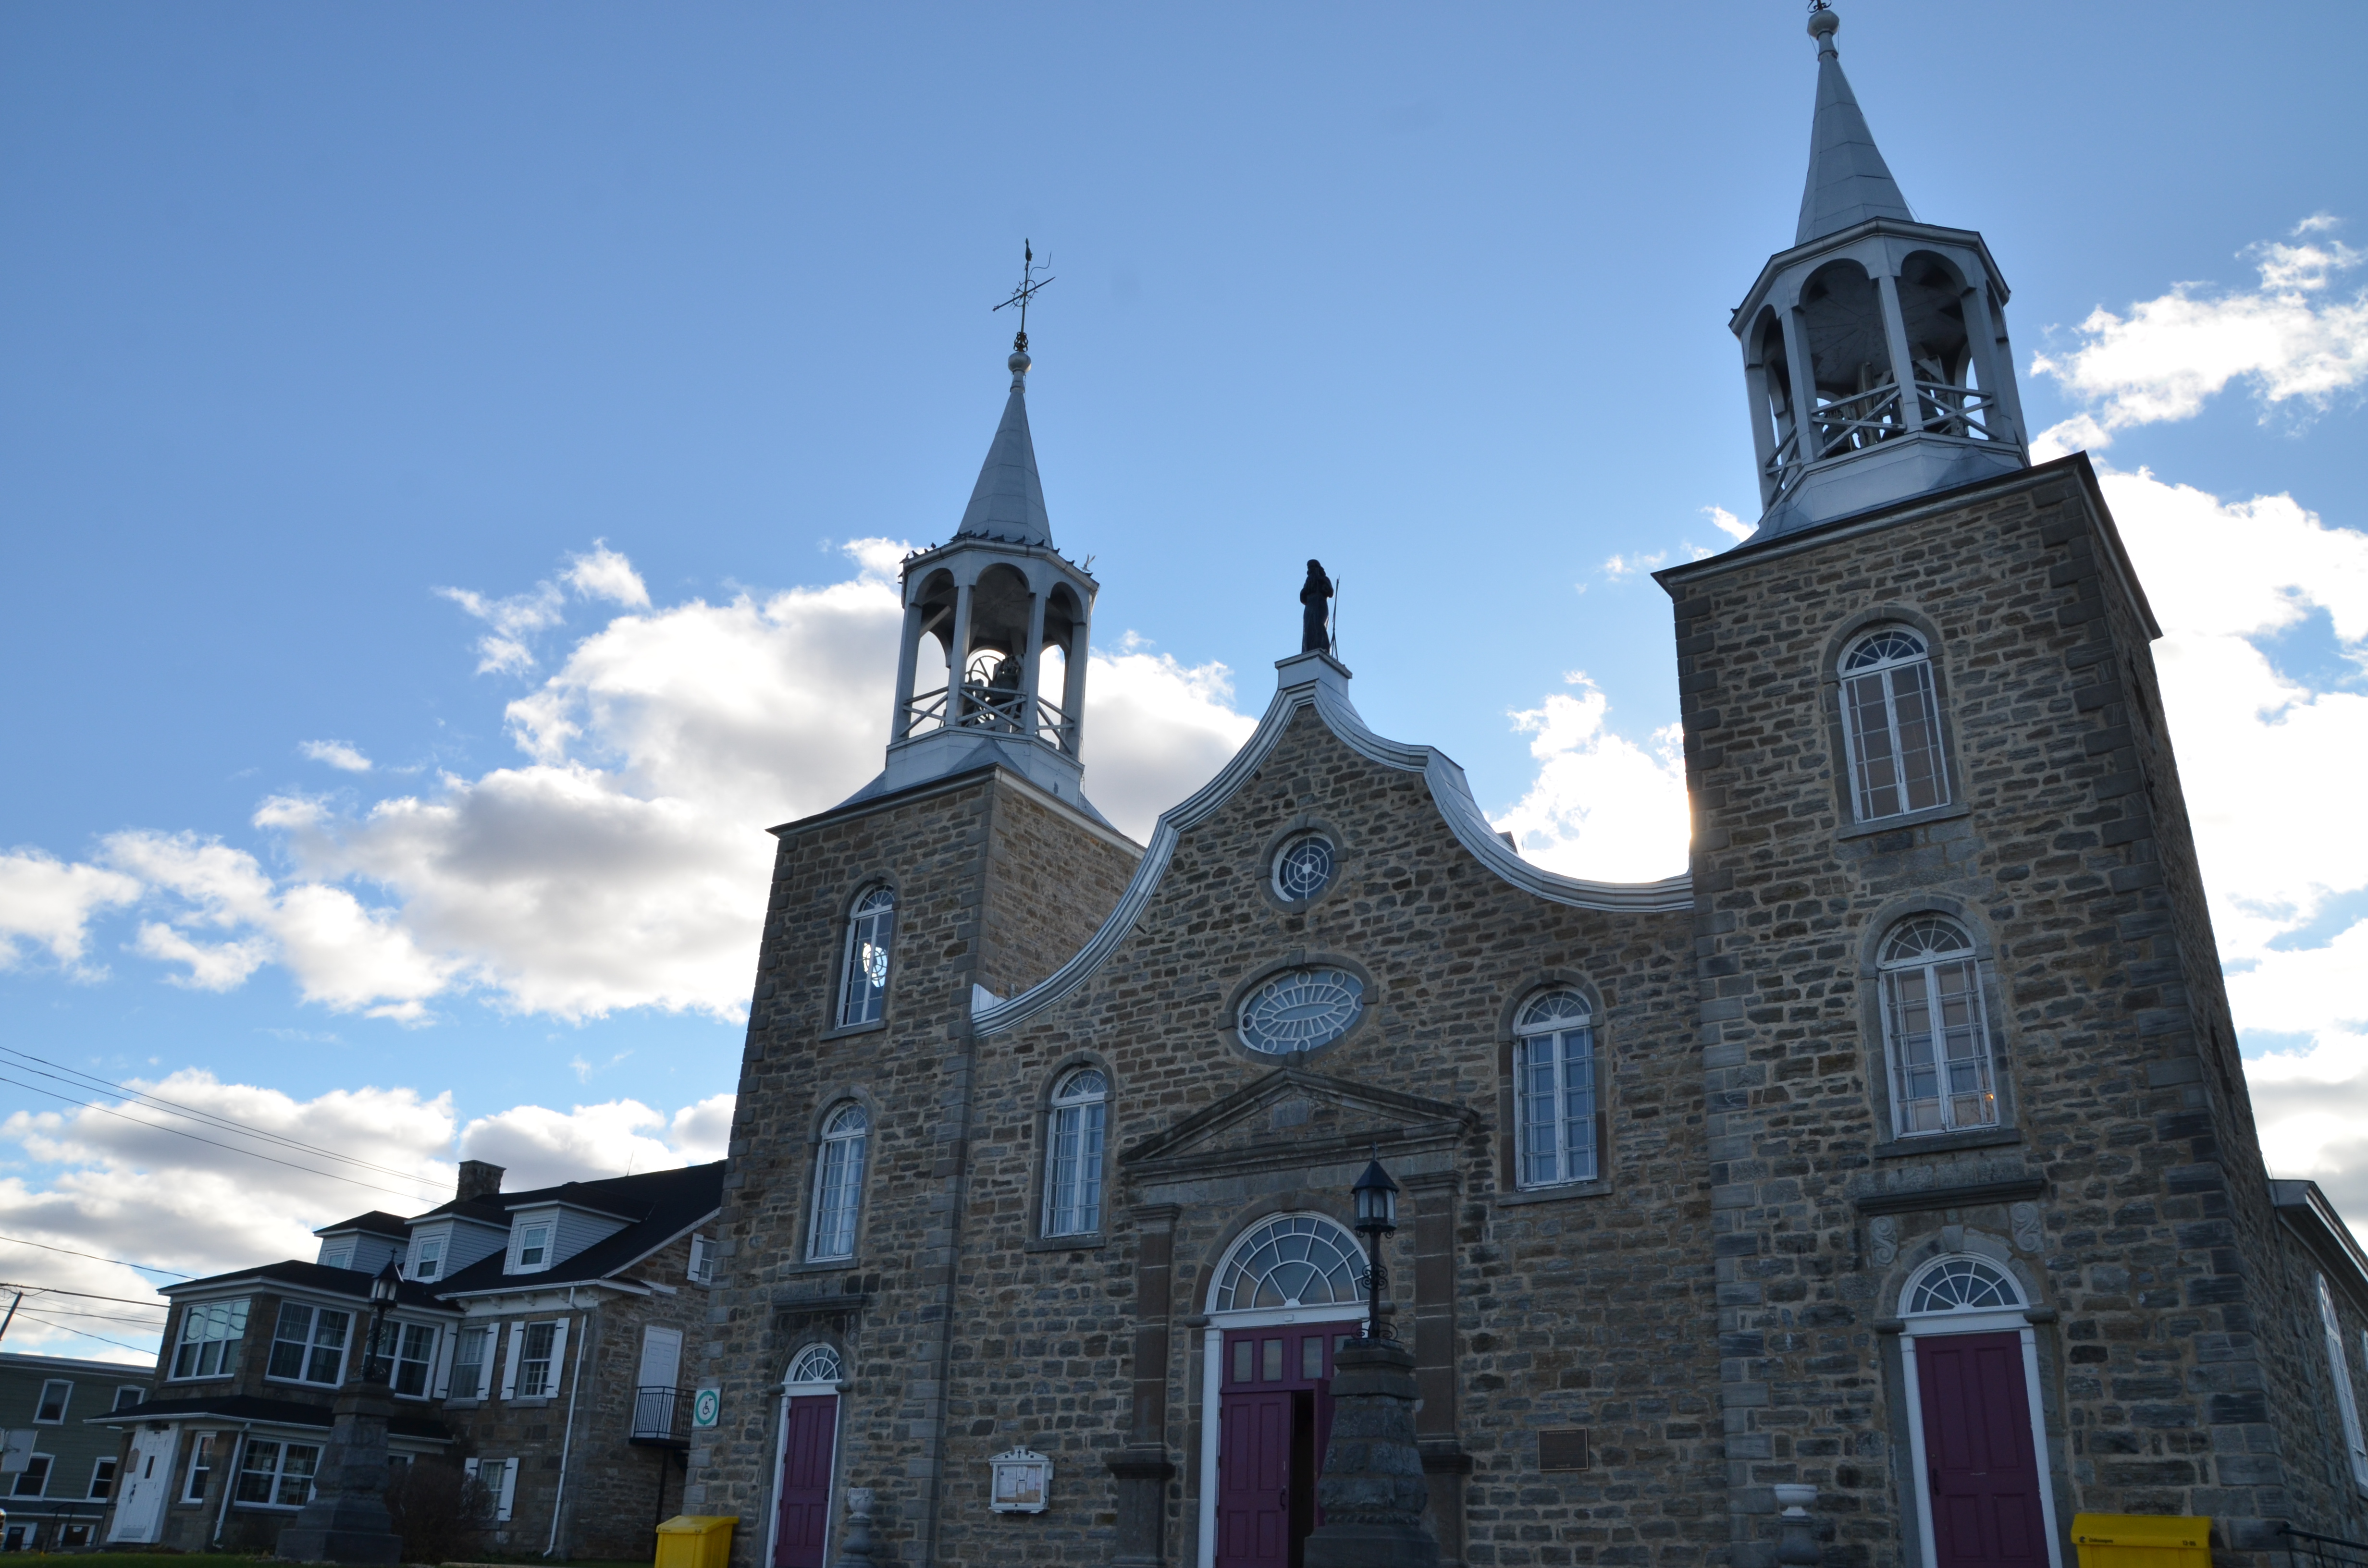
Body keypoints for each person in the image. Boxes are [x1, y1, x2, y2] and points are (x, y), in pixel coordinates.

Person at [1300, 560, 1333, 654]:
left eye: (1312, 568)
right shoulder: (1308, 581)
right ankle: (1308, 650)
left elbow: (1330, 593)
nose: (1311, 571)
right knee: (1308, 628)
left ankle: (1323, 649)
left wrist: (1320, 580)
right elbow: (1303, 598)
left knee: (1319, 625)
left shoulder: (1324, 579)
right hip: (1310, 606)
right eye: (1309, 569)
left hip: (1320, 605)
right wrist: (1304, 591)